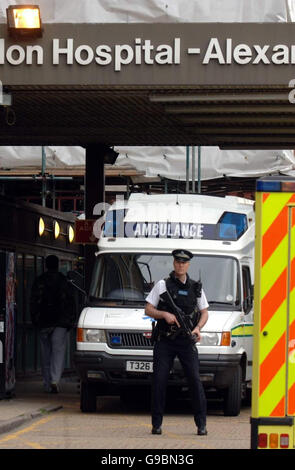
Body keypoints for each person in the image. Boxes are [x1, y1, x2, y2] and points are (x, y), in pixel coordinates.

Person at [145, 249, 209, 436]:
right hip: (165, 340)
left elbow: (204, 312)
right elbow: (148, 309)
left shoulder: (196, 288)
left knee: (195, 381)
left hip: (186, 341)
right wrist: (164, 314)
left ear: (188, 264)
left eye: (184, 262)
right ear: (173, 263)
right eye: (178, 261)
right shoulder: (162, 285)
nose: (180, 265)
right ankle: (156, 425)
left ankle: (201, 424)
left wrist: (198, 328)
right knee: (159, 381)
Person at [30, 255, 75, 393]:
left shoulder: (40, 281)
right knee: (58, 351)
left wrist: (35, 320)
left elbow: (33, 302)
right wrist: (70, 321)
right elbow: (71, 302)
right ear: (58, 264)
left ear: (45, 265)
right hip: (61, 322)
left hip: (43, 321)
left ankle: (46, 381)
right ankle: (55, 379)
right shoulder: (64, 281)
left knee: (46, 353)